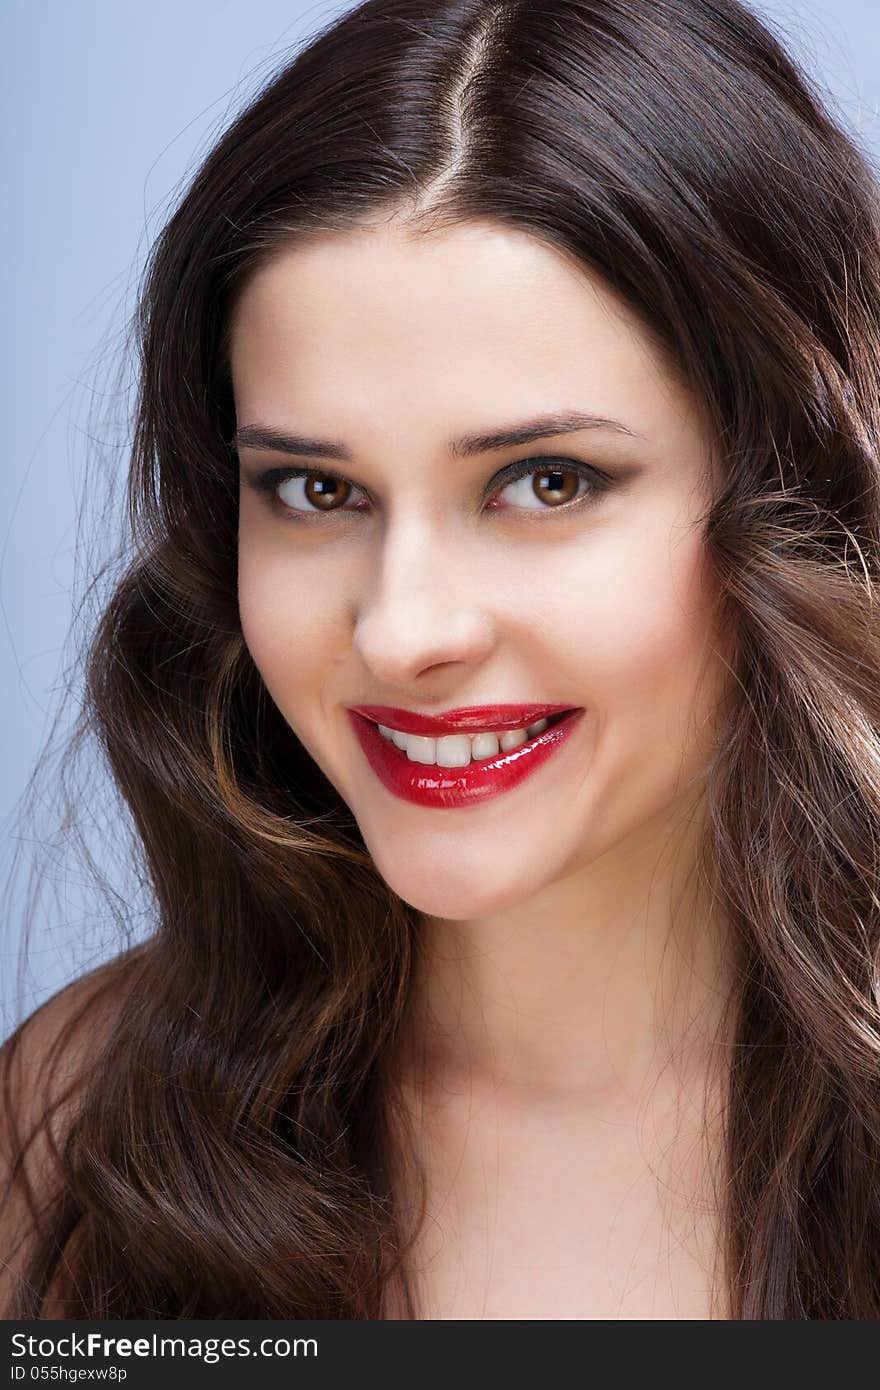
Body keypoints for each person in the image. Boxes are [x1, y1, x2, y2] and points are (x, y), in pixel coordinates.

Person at [2, 0, 880, 1320]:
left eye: (545, 480)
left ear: (790, 498)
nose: (401, 630)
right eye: (313, 490)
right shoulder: (82, 1117)